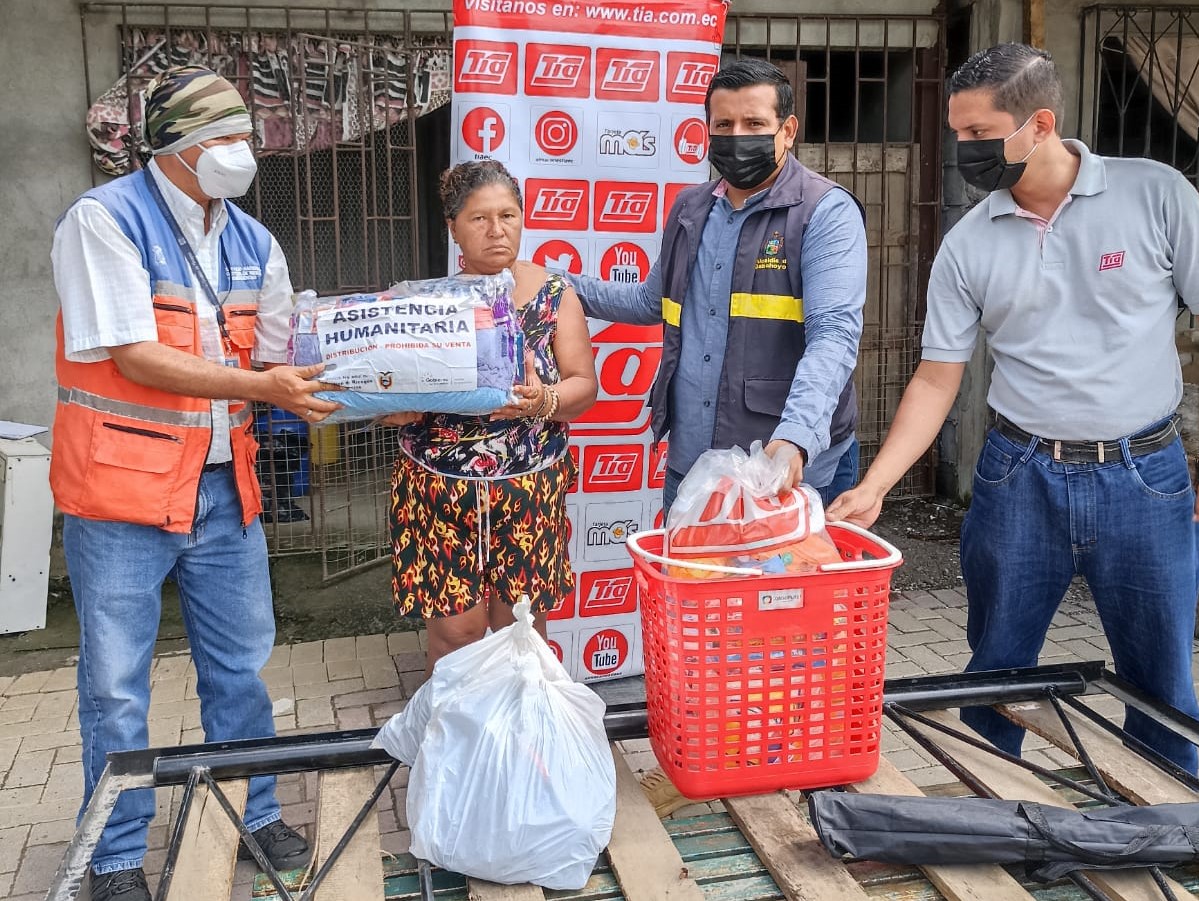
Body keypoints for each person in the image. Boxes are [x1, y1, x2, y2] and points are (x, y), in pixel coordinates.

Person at [827, 43, 1199, 774]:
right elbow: (936, 380)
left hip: (1143, 478)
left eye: (976, 134)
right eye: (955, 132)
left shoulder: (1156, 196)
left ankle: (1166, 827)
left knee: (1160, 677)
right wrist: (874, 486)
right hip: (1017, 478)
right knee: (995, 670)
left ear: (1039, 122)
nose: (963, 150)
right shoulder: (967, 244)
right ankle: (990, 811)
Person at [51, 66, 336, 900]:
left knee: (242, 669)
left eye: (244, 137)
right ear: (174, 147)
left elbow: (289, 353)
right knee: (114, 683)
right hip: (121, 497)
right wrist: (268, 389)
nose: (239, 154)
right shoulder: (103, 221)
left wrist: (379, 376)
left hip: (224, 490)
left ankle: (254, 812)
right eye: (221, 140)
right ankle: (112, 855)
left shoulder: (254, 240)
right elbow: (133, 353)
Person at [568, 57, 867, 513]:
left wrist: (794, 438)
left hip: (779, 471)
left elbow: (833, 336)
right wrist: (554, 285)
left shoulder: (824, 213)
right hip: (693, 467)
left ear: (787, 130)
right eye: (724, 124)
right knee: (686, 584)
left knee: (777, 586)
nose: (738, 136)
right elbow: (650, 301)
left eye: (754, 122)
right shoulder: (690, 209)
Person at [384, 160, 598, 675]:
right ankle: (457, 745)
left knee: (520, 629)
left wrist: (541, 401)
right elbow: (386, 399)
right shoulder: (425, 304)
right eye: (479, 218)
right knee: (456, 631)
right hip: (439, 491)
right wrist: (395, 408)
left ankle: (523, 747)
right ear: (452, 226)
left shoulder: (553, 295)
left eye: (509, 214)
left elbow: (583, 385)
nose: (497, 230)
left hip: (527, 492)